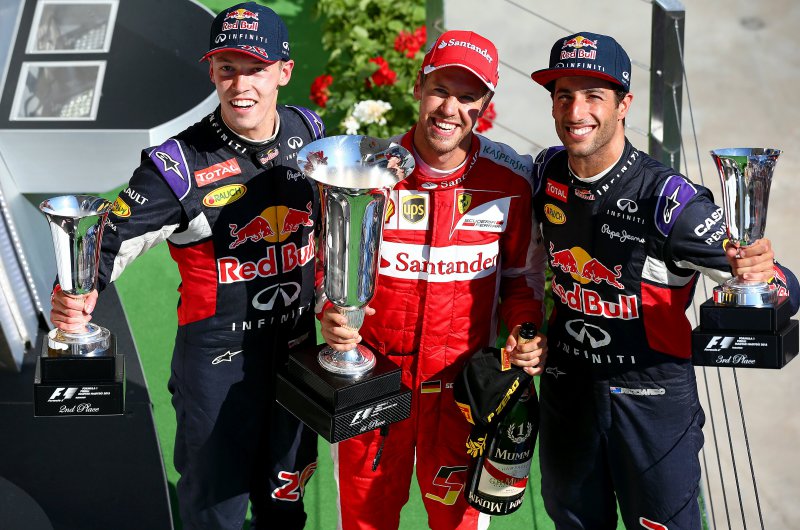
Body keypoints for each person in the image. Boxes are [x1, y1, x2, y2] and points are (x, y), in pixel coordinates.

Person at [49, 3, 325, 528]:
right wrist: (76, 292)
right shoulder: (176, 164)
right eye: (228, 68)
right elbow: (105, 241)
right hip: (217, 364)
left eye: (256, 69)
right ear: (212, 72)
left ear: (284, 72)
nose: (241, 85)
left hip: (296, 354)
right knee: (215, 511)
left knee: (287, 502)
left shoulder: (308, 129)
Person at [528, 31, 800, 529]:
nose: (576, 111)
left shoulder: (670, 200)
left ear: (624, 105)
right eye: (564, 96)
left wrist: (761, 270)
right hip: (568, 388)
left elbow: (785, 287)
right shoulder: (546, 172)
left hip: (651, 399)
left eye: (594, 96)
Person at [318, 30, 548, 529]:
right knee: (364, 521)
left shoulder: (511, 179)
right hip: (374, 385)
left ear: (485, 104)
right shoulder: (365, 170)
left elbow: (522, 279)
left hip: (464, 393)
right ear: (418, 88)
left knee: (460, 523)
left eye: (467, 97)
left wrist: (525, 328)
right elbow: (325, 266)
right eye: (440, 90)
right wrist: (330, 310)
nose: (450, 109)